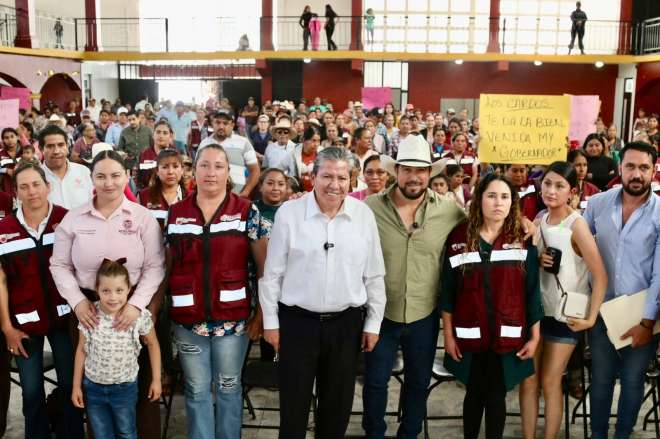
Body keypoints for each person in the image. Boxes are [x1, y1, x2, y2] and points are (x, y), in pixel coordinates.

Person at [260, 146, 386, 439]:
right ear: (313, 177)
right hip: (297, 324)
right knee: (293, 409)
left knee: (337, 410)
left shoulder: (363, 216)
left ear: (351, 180)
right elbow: (272, 274)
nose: (334, 185)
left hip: (345, 325)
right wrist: (271, 323)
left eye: (342, 178)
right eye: (327, 176)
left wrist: (373, 323)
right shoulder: (289, 213)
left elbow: (374, 274)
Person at [50, 149, 166, 439]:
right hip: (88, 310)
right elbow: (59, 265)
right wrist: (78, 302)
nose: (109, 182)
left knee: (141, 389)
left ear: (127, 176)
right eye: (101, 176)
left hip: (133, 306)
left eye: (115, 175)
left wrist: (136, 306)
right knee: (96, 393)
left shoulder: (142, 217)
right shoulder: (74, 219)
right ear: (91, 179)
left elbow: (155, 266)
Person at [362, 135, 467, 439]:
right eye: (407, 169)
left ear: (430, 173)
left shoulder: (448, 211)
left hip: (424, 315)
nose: (414, 177)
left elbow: (483, 227)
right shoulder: (368, 209)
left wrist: (525, 224)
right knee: (375, 382)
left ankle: (409, 434)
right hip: (380, 315)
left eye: (421, 170)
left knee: (418, 383)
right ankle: (374, 433)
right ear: (395, 171)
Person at [165, 143, 267, 439]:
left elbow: (265, 269)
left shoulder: (246, 211)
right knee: (196, 389)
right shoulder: (175, 213)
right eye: (204, 165)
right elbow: (166, 267)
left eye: (218, 166)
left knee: (228, 387)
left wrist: (261, 314)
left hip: (233, 322)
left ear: (228, 172)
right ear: (193, 170)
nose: (211, 172)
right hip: (188, 322)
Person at [442, 173, 543, 439]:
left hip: (507, 334)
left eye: (505, 197)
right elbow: (448, 292)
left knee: (497, 396)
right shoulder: (459, 237)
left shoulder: (522, 238)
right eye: (491, 196)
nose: (498, 203)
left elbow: (532, 292)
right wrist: (448, 336)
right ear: (479, 200)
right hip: (469, 335)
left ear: (512, 203)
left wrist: (535, 337)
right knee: (474, 393)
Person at [518, 161, 607, 439]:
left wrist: (590, 318)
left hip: (566, 314)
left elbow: (600, 275)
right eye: (547, 184)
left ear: (572, 191)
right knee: (528, 381)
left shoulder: (577, 225)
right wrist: (537, 260)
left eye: (559, 186)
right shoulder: (539, 220)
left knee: (550, 381)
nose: (551, 191)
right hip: (537, 311)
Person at [0, 161, 83, 439]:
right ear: (15, 192)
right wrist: (7, 328)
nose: (31, 191)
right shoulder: (4, 230)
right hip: (23, 325)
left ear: (47, 187)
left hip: (64, 319)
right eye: (24, 186)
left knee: (70, 384)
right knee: (31, 390)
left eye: (36, 184)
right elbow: (1, 283)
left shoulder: (67, 220)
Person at [584, 142, 660, 439]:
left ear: (653, 170)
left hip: (642, 314)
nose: (636, 174)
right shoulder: (597, 204)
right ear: (620, 168)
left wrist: (647, 323)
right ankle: (598, 435)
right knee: (601, 380)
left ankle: (622, 435)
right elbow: (579, 251)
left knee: (632, 381)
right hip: (602, 311)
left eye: (644, 167)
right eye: (630, 166)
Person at [71, 259, 161, 439]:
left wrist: (157, 380)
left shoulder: (138, 316)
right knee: (102, 435)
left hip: (124, 389)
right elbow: (81, 350)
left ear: (129, 289)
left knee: (126, 432)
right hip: (93, 388)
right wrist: (76, 386)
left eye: (119, 290)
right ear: (97, 290)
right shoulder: (90, 315)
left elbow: (153, 344)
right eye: (106, 291)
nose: (113, 297)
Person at [198, 111, 260, 197]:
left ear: (232, 125)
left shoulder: (243, 142)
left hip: (237, 196)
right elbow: (197, 169)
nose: (221, 126)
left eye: (225, 123)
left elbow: (255, 170)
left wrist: (246, 191)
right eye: (218, 122)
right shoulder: (204, 143)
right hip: (210, 196)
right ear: (212, 124)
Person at [40, 124, 94, 210]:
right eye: (50, 146)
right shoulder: (36, 177)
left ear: (67, 146)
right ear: (41, 149)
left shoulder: (83, 172)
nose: (56, 151)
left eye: (61, 145)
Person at [138, 149, 186, 229]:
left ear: (182, 170)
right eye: (165, 167)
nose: (170, 172)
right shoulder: (143, 196)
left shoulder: (192, 197)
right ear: (157, 170)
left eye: (175, 166)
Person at [281, 126, 321, 192]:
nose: (316, 144)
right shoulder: (293, 154)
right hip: (298, 193)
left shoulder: (322, 153)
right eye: (313, 140)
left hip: (317, 192)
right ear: (304, 140)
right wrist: (288, 181)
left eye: (318, 141)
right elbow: (279, 169)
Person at [137, 120, 175, 189]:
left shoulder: (175, 154)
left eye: (165, 133)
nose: (161, 136)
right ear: (153, 134)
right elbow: (139, 179)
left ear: (170, 136)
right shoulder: (144, 154)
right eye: (158, 132)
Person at [0, 128, 19, 195]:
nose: (10, 140)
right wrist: (6, 170)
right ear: (3, 140)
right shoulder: (1, 153)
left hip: (23, 188)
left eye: (12, 136)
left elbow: (36, 165)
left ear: (17, 137)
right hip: (6, 190)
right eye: (6, 138)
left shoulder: (26, 151)